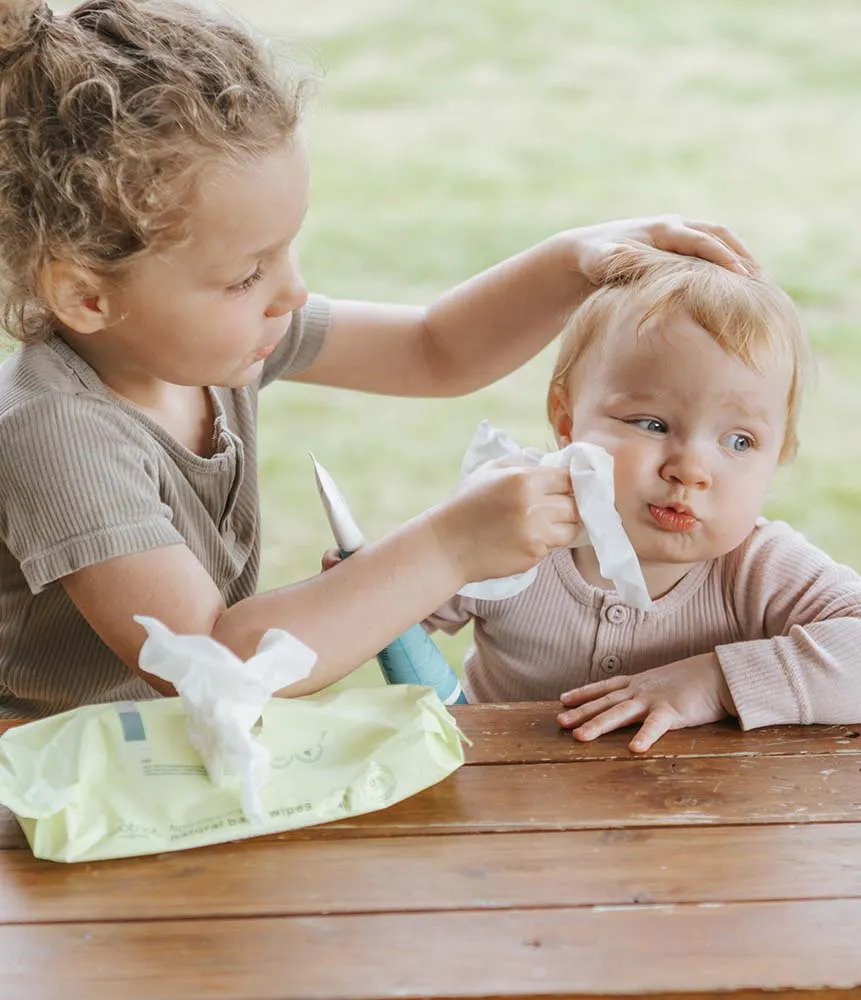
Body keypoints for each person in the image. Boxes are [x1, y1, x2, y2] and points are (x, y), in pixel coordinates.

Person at [0, 0, 755, 719]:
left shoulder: (211, 343)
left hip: (153, 762)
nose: (291, 291)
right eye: (245, 273)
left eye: (287, 248)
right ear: (87, 296)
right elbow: (214, 665)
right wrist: (448, 546)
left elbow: (433, 350)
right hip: (38, 792)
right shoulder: (57, 430)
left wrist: (576, 260)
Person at [425, 242, 861, 752]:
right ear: (567, 422)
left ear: (777, 454)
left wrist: (717, 681)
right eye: (652, 424)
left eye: (739, 441)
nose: (690, 470)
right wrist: (358, 575)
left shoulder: (752, 568)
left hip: (697, 821)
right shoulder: (512, 529)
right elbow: (375, 607)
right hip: (508, 812)